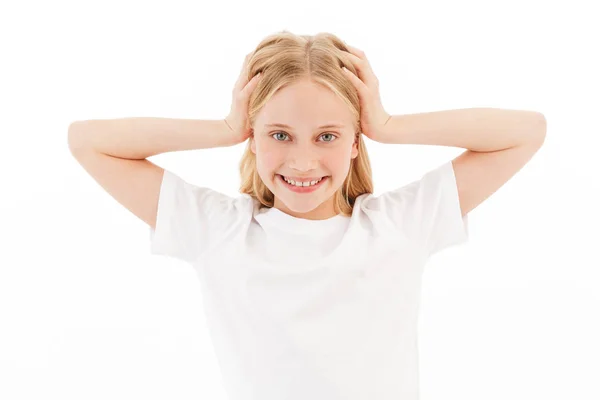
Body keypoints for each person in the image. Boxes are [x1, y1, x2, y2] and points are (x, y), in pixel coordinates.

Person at [69, 31, 471, 400]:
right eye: (279, 134)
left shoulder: (398, 224)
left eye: (327, 136)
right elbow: (88, 142)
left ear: (354, 141)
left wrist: (386, 125)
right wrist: (226, 128)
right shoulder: (220, 229)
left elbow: (527, 132)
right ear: (254, 139)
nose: (301, 162)